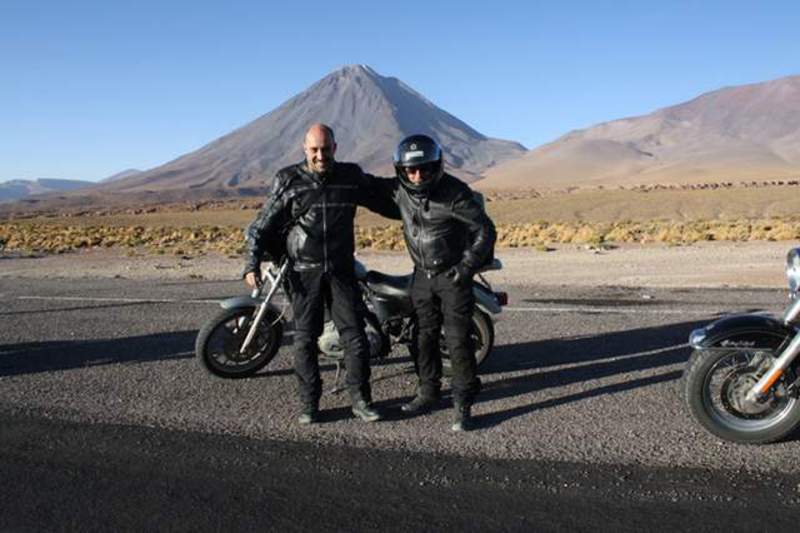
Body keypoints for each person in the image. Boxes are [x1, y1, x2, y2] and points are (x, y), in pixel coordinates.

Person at [243, 124, 399, 425]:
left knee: (355, 337)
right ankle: (309, 404)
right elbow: (262, 224)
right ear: (305, 149)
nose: (320, 155)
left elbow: (384, 197)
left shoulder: (350, 176)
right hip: (304, 274)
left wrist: (422, 197)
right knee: (304, 340)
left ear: (335, 148)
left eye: (325, 149)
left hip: (341, 271)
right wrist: (251, 263)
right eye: (314, 150)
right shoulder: (288, 179)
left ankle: (361, 400)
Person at [388, 134, 496, 432]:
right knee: (422, 337)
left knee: (458, 341)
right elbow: (363, 188)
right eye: (411, 170)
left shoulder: (454, 193)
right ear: (402, 170)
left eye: (424, 168)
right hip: (421, 275)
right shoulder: (400, 192)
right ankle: (427, 391)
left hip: (452, 277)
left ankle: (463, 405)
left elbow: (485, 230)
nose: (418, 175)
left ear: (435, 165)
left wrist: (465, 267)